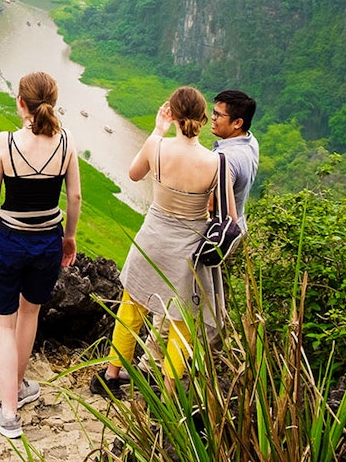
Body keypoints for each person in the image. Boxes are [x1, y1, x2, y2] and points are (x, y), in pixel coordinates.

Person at [89, 86, 237, 399]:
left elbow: (133, 174)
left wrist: (157, 130)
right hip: (187, 251)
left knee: (131, 310)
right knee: (181, 323)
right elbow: (230, 219)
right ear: (202, 117)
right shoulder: (217, 163)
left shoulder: (157, 146)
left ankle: (112, 375)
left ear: (173, 113)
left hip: (151, 240)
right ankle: (168, 393)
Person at [0, 72, 81, 438]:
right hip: (47, 239)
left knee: (3, 324)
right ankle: (18, 388)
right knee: (30, 313)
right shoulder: (66, 142)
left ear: (20, 102)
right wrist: (69, 238)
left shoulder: (5, 142)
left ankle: (7, 413)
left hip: (10, 237)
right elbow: (74, 199)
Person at [210, 90, 259, 233]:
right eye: (213, 112)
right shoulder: (250, 141)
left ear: (237, 123)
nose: (212, 117)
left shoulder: (225, 159)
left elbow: (211, 205)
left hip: (220, 236)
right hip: (239, 227)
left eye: (218, 115)